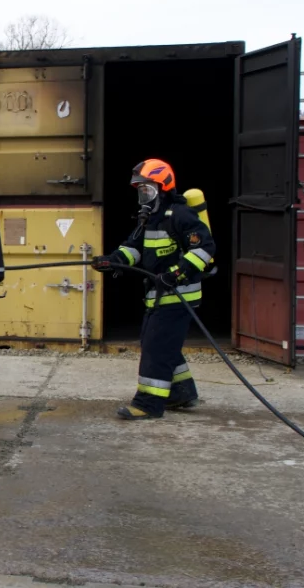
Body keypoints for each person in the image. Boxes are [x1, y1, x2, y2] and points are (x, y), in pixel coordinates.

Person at [92, 159, 215, 420]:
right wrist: (111, 260)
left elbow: (204, 249)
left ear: (163, 187)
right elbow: (133, 248)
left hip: (179, 296)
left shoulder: (180, 215)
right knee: (158, 343)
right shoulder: (149, 219)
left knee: (157, 347)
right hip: (158, 296)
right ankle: (181, 392)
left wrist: (176, 274)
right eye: (140, 191)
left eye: (147, 190)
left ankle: (148, 404)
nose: (143, 196)